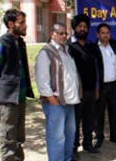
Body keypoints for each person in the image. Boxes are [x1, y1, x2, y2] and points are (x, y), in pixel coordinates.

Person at [35, 22, 81, 161]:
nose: (63, 36)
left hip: (69, 101)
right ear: (51, 34)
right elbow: (42, 80)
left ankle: (67, 158)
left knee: (69, 133)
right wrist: (53, 100)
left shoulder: (66, 51)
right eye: (60, 33)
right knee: (56, 137)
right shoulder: (46, 52)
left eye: (65, 33)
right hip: (55, 103)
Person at [0, 8, 34, 161]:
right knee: (8, 136)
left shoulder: (20, 43)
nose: (25, 26)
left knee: (18, 135)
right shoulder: (1, 44)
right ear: (11, 24)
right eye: (22, 22)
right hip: (7, 99)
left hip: (20, 96)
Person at [68, 14, 99, 159]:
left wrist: (97, 88)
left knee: (89, 119)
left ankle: (88, 143)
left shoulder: (91, 46)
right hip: (75, 92)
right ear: (74, 28)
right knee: (74, 122)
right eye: (80, 26)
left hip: (90, 91)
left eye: (85, 27)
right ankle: (74, 148)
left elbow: (97, 68)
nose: (82, 29)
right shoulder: (68, 46)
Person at [94, 23, 116, 147]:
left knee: (115, 112)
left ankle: (114, 136)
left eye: (107, 33)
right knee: (99, 113)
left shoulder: (114, 45)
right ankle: (99, 137)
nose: (105, 35)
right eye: (102, 33)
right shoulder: (94, 48)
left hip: (114, 85)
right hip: (101, 87)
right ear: (98, 34)